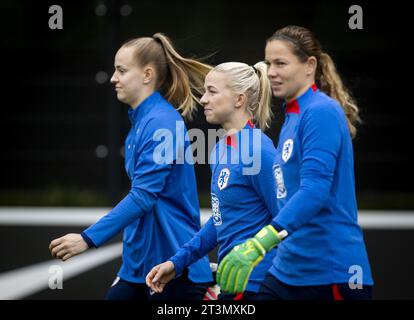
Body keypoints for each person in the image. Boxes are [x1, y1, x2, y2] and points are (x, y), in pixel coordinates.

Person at [48, 33, 214, 300]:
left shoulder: (162, 122)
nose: (113, 78)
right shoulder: (143, 121)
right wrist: (129, 265)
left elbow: (143, 196)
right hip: (137, 271)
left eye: (121, 70)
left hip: (173, 268)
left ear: (147, 75)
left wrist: (87, 239)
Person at [216, 25, 374, 300]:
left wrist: (260, 243)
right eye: (269, 63)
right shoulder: (293, 117)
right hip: (287, 271)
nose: (272, 71)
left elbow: (314, 190)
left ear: (309, 65)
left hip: (331, 273)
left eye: (281, 63)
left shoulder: (321, 111)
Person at [146, 61, 278, 300]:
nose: (203, 99)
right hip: (231, 285)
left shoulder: (259, 150)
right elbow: (219, 222)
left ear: (239, 99)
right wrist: (176, 263)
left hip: (258, 286)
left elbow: (287, 220)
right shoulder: (219, 150)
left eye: (212, 91)